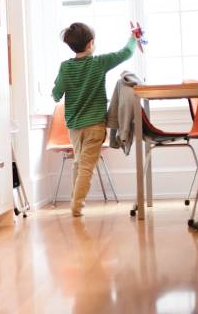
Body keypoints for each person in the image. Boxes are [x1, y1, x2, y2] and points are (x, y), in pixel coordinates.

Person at [52, 22, 139, 217]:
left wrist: (57, 89)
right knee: (86, 167)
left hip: (74, 127)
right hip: (94, 126)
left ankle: (75, 199)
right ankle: (77, 205)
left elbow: (57, 94)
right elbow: (126, 53)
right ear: (91, 43)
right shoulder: (99, 63)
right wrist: (133, 38)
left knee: (78, 163)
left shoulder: (65, 67)